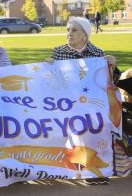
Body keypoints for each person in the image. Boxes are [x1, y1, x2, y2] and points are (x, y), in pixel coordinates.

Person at [49, 17, 121, 185]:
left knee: (96, 133)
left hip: (93, 104)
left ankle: (99, 171)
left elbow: (112, 82)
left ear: (85, 35)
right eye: (68, 30)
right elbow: (51, 83)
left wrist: (113, 67)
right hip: (68, 103)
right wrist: (48, 68)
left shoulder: (98, 53)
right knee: (78, 134)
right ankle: (84, 169)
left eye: (74, 30)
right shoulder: (58, 52)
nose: (69, 33)